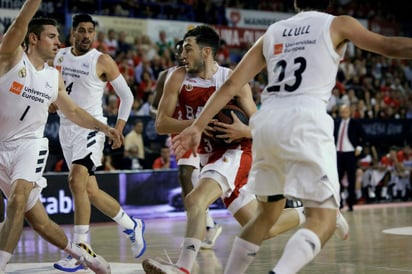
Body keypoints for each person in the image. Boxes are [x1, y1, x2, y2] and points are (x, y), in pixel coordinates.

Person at [172, 0, 412, 272]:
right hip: (305, 119)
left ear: (296, 2)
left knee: (265, 216)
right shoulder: (338, 24)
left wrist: (197, 125)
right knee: (323, 219)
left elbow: (231, 84)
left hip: (267, 123)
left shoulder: (274, 30)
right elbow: (389, 46)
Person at [142, 25, 308, 274]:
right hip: (209, 157)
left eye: (189, 49)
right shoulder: (177, 77)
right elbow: (162, 123)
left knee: (195, 199)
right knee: (261, 228)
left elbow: (259, 124)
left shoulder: (232, 80)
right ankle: (313, 213)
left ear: (206, 52)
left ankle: (183, 269)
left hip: (238, 150)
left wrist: (244, 131)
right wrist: (197, 125)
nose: (182, 54)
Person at [0, 1, 122, 273]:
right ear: (33, 38)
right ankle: (82, 256)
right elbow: (20, 23)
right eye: (52, 36)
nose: (59, 42)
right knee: (41, 222)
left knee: (18, 199)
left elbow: (75, 111)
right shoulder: (10, 58)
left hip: (28, 145)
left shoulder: (55, 76)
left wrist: (105, 127)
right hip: (0, 145)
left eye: (58, 37)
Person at [52, 13, 145, 272]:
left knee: (75, 181)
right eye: (81, 30)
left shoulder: (102, 60)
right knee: (89, 192)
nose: (86, 36)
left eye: (90, 31)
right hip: (66, 128)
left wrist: (117, 129)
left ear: (94, 34)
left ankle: (80, 249)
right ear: (72, 33)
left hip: (91, 129)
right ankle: (132, 225)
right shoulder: (59, 55)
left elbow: (126, 97)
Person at [151, 39, 224, 249]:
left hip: (201, 127)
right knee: (187, 176)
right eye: (178, 52)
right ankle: (207, 225)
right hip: (178, 128)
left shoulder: (207, 74)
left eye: (185, 51)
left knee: (191, 175)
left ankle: (205, 224)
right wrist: (165, 116)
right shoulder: (167, 76)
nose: (181, 56)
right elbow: (152, 108)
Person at [334, 104, 365, 211]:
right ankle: (339, 202)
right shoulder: (336, 123)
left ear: (349, 111)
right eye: (342, 111)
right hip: (338, 153)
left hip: (350, 153)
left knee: (352, 178)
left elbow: (363, 136)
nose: (344, 113)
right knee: (337, 179)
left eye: (346, 110)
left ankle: (351, 203)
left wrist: (359, 148)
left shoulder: (355, 123)